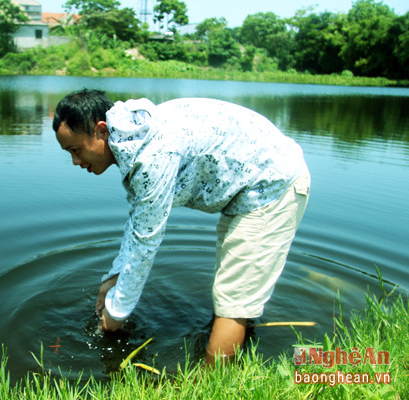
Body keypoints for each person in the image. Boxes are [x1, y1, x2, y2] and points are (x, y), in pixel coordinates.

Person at [52, 89, 310, 365]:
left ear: (101, 130)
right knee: (232, 292)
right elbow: (140, 221)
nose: (76, 162)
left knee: (233, 301)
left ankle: (208, 387)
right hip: (247, 190)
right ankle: (231, 356)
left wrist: (116, 313)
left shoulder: (152, 155)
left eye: (76, 150)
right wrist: (113, 277)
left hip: (272, 185)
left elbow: (146, 242)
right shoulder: (135, 135)